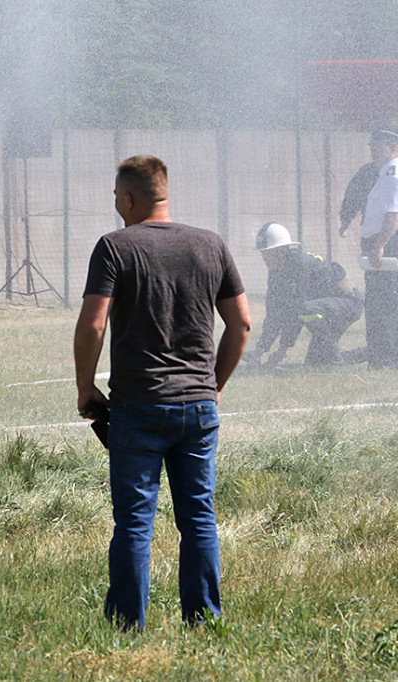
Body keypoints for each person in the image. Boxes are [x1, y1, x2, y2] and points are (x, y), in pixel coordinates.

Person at [74, 155, 251, 632]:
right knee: (199, 518)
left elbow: (93, 324)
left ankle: (126, 628)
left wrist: (85, 386)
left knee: (134, 523)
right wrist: (212, 386)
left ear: (129, 198)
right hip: (197, 408)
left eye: (116, 198)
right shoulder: (211, 245)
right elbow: (242, 324)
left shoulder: (114, 248)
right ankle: (205, 622)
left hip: (139, 407)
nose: (115, 206)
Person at [245, 222, 362, 368]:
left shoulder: (299, 265)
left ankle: (336, 358)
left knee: (304, 310)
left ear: (282, 250)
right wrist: (259, 351)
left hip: (348, 304)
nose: (264, 258)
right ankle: (365, 354)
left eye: (268, 253)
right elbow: (273, 314)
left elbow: (296, 311)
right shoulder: (276, 272)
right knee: (315, 363)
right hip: (324, 309)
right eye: (263, 253)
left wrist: (282, 349)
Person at [359, 129, 398, 368]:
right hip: (383, 242)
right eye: (371, 145)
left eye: (379, 145)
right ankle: (386, 355)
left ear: (393, 145)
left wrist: (380, 245)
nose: (373, 150)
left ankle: (384, 358)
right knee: (383, 302)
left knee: (380, 303)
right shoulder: (385, 172)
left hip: (387, 243)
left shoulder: (392, 173)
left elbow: (393, 215)